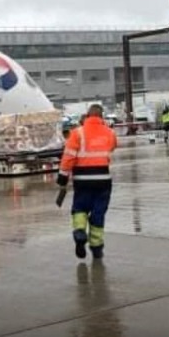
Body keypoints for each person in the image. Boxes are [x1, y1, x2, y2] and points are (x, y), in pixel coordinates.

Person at [57, 104, 118, 259]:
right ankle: (96, 247)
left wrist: (63, 177)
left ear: (87, 115)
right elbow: (112, 147)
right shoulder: (110, 133)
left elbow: (68, 157)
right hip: (103, 179)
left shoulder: (77, 133)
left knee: (80, 208)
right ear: (101, 116)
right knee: (98, 213)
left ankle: (79, 233)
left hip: (82, 179)